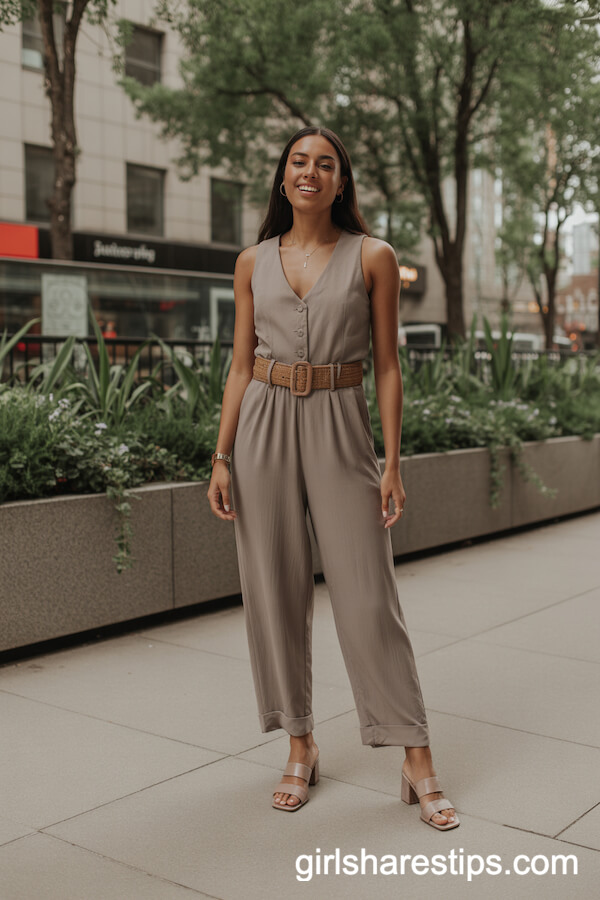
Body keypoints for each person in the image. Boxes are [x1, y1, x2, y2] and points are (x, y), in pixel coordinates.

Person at [207, 126, 458, 831]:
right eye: (298, 162)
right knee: (275, 591)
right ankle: (300, 742)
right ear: (282, 178)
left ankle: (414, 755)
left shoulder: (372, 256)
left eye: (325, 164)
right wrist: (221, 456)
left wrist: (393, 463)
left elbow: (387, 366)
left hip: (340, 425)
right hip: (261, 425)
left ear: (341, 182)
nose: (310, 172)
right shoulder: (251, 261)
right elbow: (238, 365)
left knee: (368, 598)